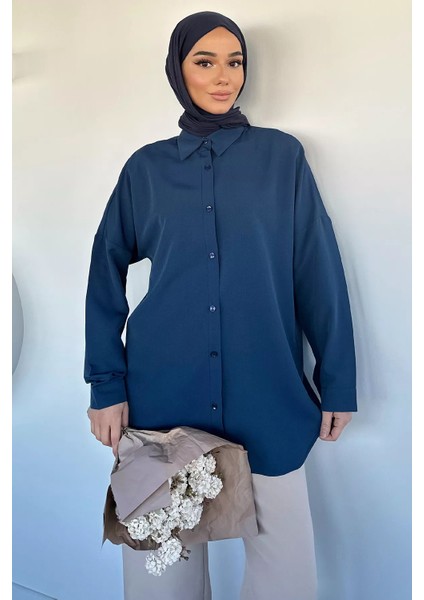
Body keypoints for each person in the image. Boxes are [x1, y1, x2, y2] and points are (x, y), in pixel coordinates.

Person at [84, 11, 357, 600]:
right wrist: (106, 384)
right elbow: (104, 271)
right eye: (204, 61)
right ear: (177, 71)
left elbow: (318, 272)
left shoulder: (281, 158)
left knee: (286, 578)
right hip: (163, 399)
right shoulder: (146, 169)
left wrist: (337, 382)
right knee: (161, 580)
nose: (223, 76)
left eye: (234, 61)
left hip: (269, 396)